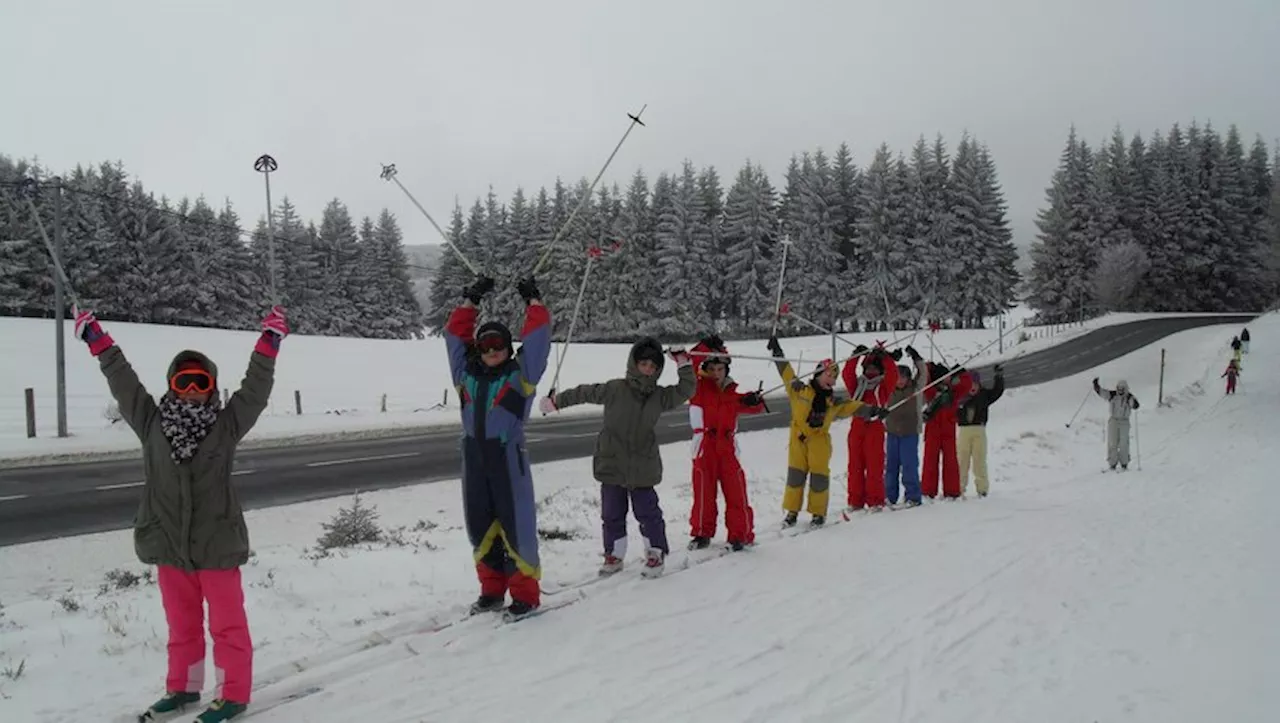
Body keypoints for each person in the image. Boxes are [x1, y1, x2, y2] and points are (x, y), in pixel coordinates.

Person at [73, 305, 285, 723]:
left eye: (199, 381)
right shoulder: (150, 422)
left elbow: (255, 391)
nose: (190, 389)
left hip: (216, 543)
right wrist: (98, 341)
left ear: (211, 387)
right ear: (171, 385)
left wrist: (269, 343)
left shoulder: (226, 426)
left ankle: (232, 696)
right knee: (182, 627)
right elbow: (124, 382)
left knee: (227, 627)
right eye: (182, 381)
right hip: (169, 542)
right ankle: (183, 690)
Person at [539, 338, 696, 577]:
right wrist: (556, 401)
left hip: (643, 463)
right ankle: (613, 554)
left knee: (648, 512)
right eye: (643, 364)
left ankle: (655, 551)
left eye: (653, 367)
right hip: (611, 460)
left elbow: (686, 389)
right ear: (634, 363)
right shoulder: (615, 389)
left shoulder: (660, 396)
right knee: (611, 513)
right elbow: (584, 392)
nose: (647, 370)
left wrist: (683, 362)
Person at [444, 275, 551, 621]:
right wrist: (470, 300)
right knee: (479, 523)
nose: (492, 353)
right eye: (486, 347)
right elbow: (453, 336)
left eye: (499, 347)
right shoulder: (465, 374)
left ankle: (525, 595)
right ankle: (491, 590)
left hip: (507, 457)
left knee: (516, 522)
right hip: (474, 456)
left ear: (508, 348)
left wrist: (533, 302)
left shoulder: (520, 374)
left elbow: (538, 340)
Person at [766, 335, 887, 528]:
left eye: (834, 377)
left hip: (819, 442)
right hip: (798, 441)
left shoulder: (834, 402)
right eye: (828, 375)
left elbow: (854, 406)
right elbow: (786, 372)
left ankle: (818, 513)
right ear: (818, 374)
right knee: (795, 476)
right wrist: (777, 352)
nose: (832, 379)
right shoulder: (800, 390)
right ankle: (792, 512)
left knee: (819, 478)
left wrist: (874, 410)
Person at [686, 335, 767, 551]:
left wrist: (756, 400)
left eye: (720, 369)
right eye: (711, 369)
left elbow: (754, 406)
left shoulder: (733, 394)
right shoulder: (698, 388)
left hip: (727, 448)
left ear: (726, 370)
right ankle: (702, 533)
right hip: (705, 448)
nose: (715, 374)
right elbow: (689, 361)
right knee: (703, 492)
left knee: (736, 492)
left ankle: (739, 535)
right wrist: (705, 347)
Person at [841, 343, 898, 513]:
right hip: (857, 427)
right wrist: (855, 356)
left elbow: (893, 374)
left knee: (875, 465)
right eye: (868, 368)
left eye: (874, 369)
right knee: (855, 466)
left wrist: (885, 357)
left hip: (875, 427)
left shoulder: (883, 387)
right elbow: (847, 374)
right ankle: (855, 500)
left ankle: (875, 500)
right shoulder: (857, 386)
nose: (871, 372)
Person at [921, 363, 974, 500]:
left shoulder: (953, 392)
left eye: (950, 376)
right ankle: (928, 491)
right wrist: (928, 367)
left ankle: (951, 491)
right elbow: (924, 379)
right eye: (946, 377)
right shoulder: (931, 392)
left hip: (948, 431)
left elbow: (966, 385)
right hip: (933, 430)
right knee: (930, 461)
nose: (949, 379)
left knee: (950, 461)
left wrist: (961, 372)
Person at [884, 346, 928, 507]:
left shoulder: (915, 389)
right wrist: (889, 357)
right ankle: (889, 496)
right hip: (892, 433)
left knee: (909, 465)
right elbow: (884, 371)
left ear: (909, 378)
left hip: (910, 433)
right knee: (891, 466)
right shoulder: (889, 389)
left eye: (903, 377)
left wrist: (916, 358)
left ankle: (913, 496)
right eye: (897, 377)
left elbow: (923, 373)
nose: (900, 380)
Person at [955, 365, 1005, 498]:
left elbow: (997, 391)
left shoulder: (984, 395)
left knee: (979, 460)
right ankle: (959, 487)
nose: (973, 387)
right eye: (970, 384)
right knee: (962, 460)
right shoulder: (960, 397)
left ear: (979, 384)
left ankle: (982, 488)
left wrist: (998, 377)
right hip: (964, 431)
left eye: (975, 384)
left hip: (979, 430)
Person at [1093, 377, 1140, 470]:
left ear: (1125, 389)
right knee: (1112, 442)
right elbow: (1103, 393)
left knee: (1124, 442)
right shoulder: (1113, 395)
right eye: (1119, 389)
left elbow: (1135, 405)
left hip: (1124, 421)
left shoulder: (1129, 397)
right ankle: (1112, 463)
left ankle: (1124, 463)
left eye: (1122, 389)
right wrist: (1096, 387)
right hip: (1113, 420)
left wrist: (1134, 403)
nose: (1120, 391)